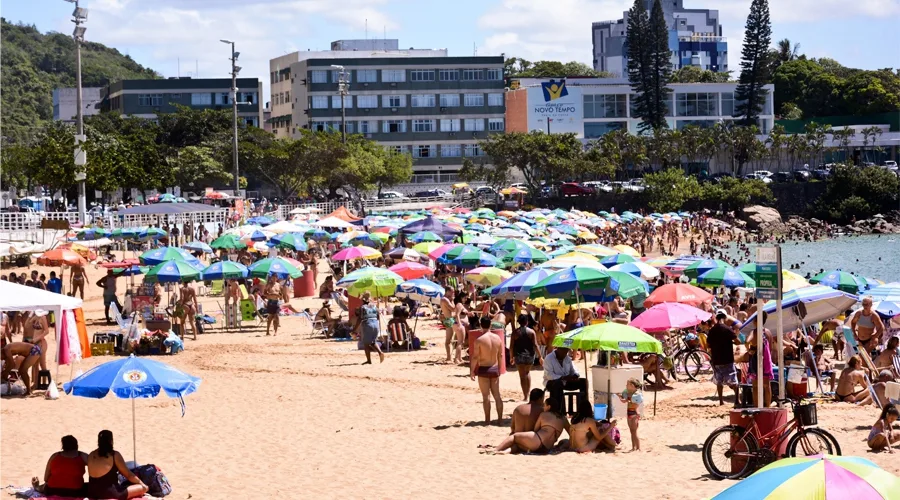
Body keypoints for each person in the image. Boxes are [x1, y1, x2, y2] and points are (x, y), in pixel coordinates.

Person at [490, 398, 569, 454]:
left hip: (538, 439)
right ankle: (505, 452)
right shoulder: (563, 418)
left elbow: (536, 429)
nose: (543, 407)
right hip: (548, 448)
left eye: (545, 405)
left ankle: (496, 449)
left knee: (515, 437)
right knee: (519, 445)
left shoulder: (544, 414)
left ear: (549, 407)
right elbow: (570, 432)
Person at [87, 430, 148, 499]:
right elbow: (129, 475)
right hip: (110, 493)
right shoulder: (114, 455)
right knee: (142, 488)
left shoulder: (91, 454)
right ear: (111, 441)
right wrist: (142, 484)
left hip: (92, 492)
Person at [471, 316, 503, 424]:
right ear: (490, 325)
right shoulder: (498, 338)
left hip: (484, 368)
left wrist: (472, 371)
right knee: (497, 396)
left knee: (486, 396)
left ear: (481, 325)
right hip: (494, 368)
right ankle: (499, 420)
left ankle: (487, 420)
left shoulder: (479, 340)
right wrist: (499, 369)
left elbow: (475, 357)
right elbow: (500, 356)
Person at [707, 311, 741, 406]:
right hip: (728, 359)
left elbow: (708, 344)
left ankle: (721, 401)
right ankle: (737, 400)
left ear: (717, 318)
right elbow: (738, 341)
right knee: (734, 381)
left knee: (719, 381)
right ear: (725, 318)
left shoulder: (712, 330)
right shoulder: (728, 329)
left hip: (716, 359)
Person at [746, 311, 774, 408]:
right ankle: (768, 406)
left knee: (755, 386)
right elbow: (771, 347)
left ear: (755, 321)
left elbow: (747, 341)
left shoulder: (754, 332)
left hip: (756, 360)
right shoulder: (769, 332)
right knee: (767, 386)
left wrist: (750, 349)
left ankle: (757, 407)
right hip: (767, 361)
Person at [510, 313, 538, 401]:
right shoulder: (531, 332)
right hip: (529, 355)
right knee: (527, 373)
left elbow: (511, 346)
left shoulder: (515, 333)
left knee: (522, 376)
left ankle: (525, 396)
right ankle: (528, 393)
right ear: (527, 322)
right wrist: (540, 357)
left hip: (519, 356)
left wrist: (511, 357)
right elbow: (536, 345)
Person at [353, 291, 384, 364]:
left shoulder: (362, 307)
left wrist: (354, 329)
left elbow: (359, 319)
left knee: (366, 343)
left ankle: (369, 360)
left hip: (367, 324)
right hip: (375, 324)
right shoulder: (374, 306)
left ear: (363, 300)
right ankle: (380, 353)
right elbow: (378, 317)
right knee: (373, 341)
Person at [617, 378, 643, 452]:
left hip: (634, 413)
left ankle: (638, 448)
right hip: (629, 413)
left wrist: (628, 399)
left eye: (627, 384)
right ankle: (633, 447)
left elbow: (635, 404)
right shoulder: (628, 393)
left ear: (632, 385)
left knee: (634, 431)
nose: (626, 385)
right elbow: (624, 401)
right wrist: (620, 397)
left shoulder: (637, 394)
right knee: (631, 431)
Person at [440, 289, 458, 363]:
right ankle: (448, 357)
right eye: (451, 291)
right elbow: (453, 309)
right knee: (448, 340)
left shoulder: (447, 299)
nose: (453, 293)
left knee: (454, 339)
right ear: (447, 291)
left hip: (450, 319)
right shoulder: (445, 299)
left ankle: (451, 357)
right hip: (449, 319)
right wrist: (452, 300)